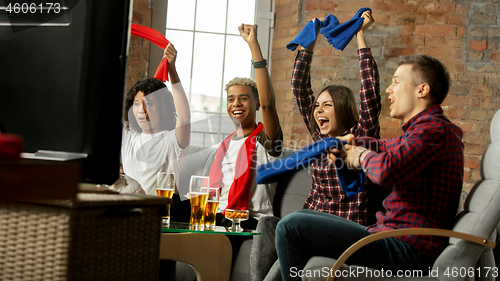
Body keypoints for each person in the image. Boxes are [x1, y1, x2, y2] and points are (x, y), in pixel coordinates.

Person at [275, 53, 464, 281]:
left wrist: (360, 154)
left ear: (421, 90)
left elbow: (386, 171)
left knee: (291, 227)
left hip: (406, 247)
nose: (389, 90)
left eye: (396, 82)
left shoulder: (433, 131)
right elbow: (384, 145)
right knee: (299, 217)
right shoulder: (421, 132)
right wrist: (349, 143)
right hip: (390, 238)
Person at [250, 11, 380, 281]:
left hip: (342, 229)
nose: (318, 111)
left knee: (289, 234)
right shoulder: (320, 140)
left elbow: (370, 91)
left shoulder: (362, 135)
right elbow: (299, 86)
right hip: (306, 225)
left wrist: (360, 37)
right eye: (317, 106)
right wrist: (310, 40)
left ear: (343, 110)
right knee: (266, 224)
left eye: (327, 106)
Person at [208, 23, 282, 231]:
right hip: (218, 215)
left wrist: (254, 47)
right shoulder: (225, 146)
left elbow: (269, 103)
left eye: (243, 98)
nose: (236, 104)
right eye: (231, 99)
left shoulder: (267, 140)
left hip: (250, 221)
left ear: (257, 103)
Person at [120, 42, 191, 196]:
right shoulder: (129, 135)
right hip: (125, 210)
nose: (141, 110)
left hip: (157, 212)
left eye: (149, 104)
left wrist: (172, 70)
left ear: (163, 108)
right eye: (137, 104)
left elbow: (184, 117)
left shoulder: (172, 141)